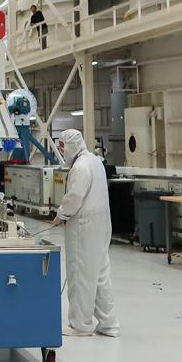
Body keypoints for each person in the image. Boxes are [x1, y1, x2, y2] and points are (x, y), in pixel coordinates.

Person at [53, 128, 119, 338]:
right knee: (100, 273)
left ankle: (80, 325)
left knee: (81, 274)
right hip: (101, 224)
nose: (62, 150)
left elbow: (74, 197)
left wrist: (61, 214)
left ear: (72, 144)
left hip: (84, 225)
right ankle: (109, 324)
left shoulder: (80, 167)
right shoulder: (94, 161)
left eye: (63, 146)